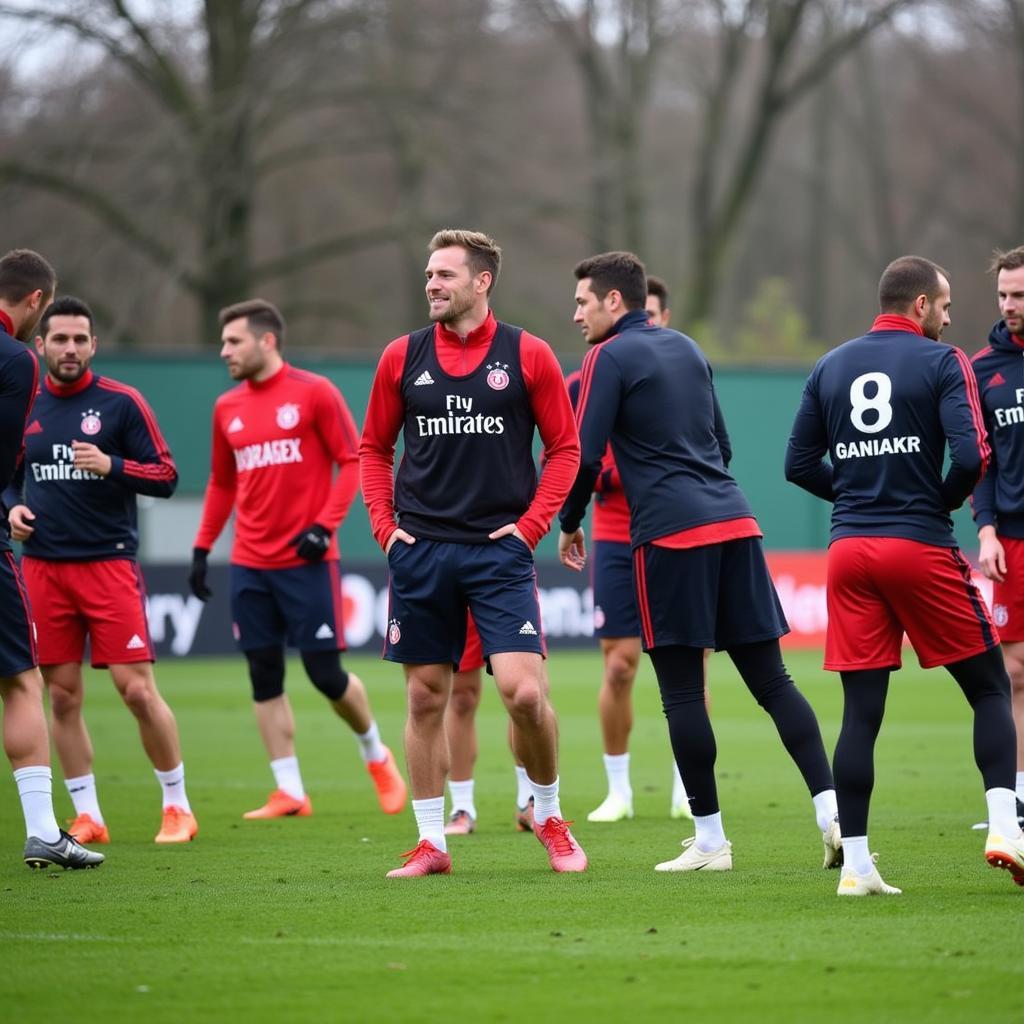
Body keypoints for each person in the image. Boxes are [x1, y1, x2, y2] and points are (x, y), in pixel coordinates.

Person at [559, 250, 839, 876]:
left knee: (681, 689)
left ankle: (710, 841)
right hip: (735, 521)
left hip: (670, 535)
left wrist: (570, 521)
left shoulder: (606, 356)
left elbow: (583, 455)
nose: (575, 314)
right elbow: (726, 444)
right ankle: (832, 814)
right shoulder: (686, 347)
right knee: (773, 682)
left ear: (613, 301)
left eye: (582, 302)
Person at [786, 254, 1024, 895]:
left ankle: (858, 868)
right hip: (916, 544)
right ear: (920, 305)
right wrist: (935, 498)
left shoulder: (831, 364)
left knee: (861, 712)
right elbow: (974, 455)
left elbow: (796, 463)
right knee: (989, 688)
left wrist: (857, 491)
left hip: (849, 552)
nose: (949, 317)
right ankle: (1006, 825)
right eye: (944, 306)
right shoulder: (945, 362)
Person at [360, 228, 587, 877]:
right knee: (426, 698)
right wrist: (383, 526)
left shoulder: (528, 354)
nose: (431, 284)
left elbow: (564, 450)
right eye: (429, 275)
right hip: (421, 551)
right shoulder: (400, 358)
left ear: (481, 281)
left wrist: (531, 527)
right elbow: (373, 449)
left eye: (445, 275)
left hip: (499, 553)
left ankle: (547, 815)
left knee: (521, 694)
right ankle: (433, 843)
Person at [189, 298, 406, 820]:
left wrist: (323, 526)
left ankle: (376, 755)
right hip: (249, 562)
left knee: (325, 674)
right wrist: (201, 547)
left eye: (234, 341)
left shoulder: (314, 393)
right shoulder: (227, 408)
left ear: (267, 341)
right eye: (222, 343)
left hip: (307, 562)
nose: (225, 352)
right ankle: (289, 790)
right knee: (263, 673)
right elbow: (222, 482)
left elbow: (353, 461)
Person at [5, 296, 196, 844]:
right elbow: (8, 473)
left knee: (135, 690)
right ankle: (88, 814)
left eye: (79, 339)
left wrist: (112, 464)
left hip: (108, 562)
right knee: (60, 695)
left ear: (94, 345)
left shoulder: (121, 403)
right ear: (40, 345)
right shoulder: (26, 401)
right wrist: (11, 505)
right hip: (43, 567)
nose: (70, 348)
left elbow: (165, 475)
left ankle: (178, 805)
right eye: (59, 339)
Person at [573, 275, 694, 824]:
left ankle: (686, 786)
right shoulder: (584, 380)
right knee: (620, 665)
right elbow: (573, 457)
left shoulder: (682, 370)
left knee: (687, 664)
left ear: (661, 318)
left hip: (674, 528)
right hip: (616, 533)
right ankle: (618, 789)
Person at [0, 249, 102, 870]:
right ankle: (43, 829)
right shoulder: (14, 359)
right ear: (37, 301)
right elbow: (6, 458)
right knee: (21, 681)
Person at [970, 245, 1024, 825]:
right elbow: (981, 462)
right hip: (1011, 537)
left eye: (1019, 296)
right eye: (1004, 295)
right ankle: (1017, 797)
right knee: (1013, 671)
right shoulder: (984, 368)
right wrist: (984, 529)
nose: (1009, 305)